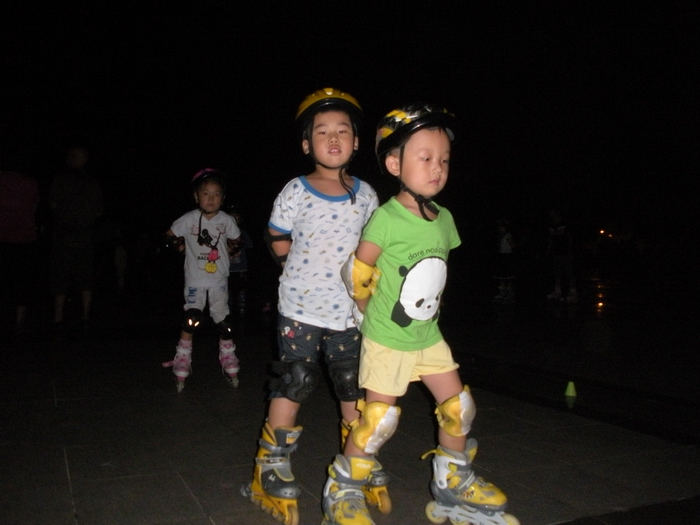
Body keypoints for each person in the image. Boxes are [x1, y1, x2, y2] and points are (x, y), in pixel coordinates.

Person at [321, 104, 517, 525]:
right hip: (388, 339)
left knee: (459, 407)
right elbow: (358, 269)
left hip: (428, 335)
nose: (437, 168)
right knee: (377, 422)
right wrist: (363, 306)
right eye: (425, 157)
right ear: (395, 164)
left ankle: (453, 481)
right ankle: (343, 489)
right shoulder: (386, 218)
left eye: (443, 159)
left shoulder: (444, 219)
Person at [241, 88, 379, 525]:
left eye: (343, 131)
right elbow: (276, 234)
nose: (333, 138)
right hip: (300, 307)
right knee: (295, 380)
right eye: (322, 132)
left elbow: (374, 248)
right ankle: (270, 465)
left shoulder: (367, 195)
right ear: (306, 144)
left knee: (351, 385)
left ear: (357, 142)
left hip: (349, 311)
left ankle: (356, 460)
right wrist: (290, 268)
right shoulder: (296, 191)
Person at [162, 169, 242, 391]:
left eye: (216, 194)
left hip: (219, 280)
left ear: (222, 198)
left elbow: (237, 240)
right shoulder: (188, 219)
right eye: (206, 193)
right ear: (197, 196)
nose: (211, 198)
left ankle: (228, 355)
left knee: (224, 322)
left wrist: (228, 251)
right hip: (195, 279)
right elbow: (168, 236)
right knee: (192, 318)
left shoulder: (226, 220)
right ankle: (182, 356)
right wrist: (181, 248)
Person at [49, 146, 103, 333]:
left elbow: (53, 204)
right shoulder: (88, 181)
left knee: (63, 275)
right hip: (79, 234)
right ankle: (83, 316)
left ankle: (61, 318)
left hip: (69, 234)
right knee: (82, 275)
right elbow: (98, 211)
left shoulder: (67, 180)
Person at [0, 165, 39, 335]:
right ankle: (19, 322)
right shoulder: (30, 183)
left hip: (4, 237)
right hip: (24, 238)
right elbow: (34, 207)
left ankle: (6, 321)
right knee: (21, 281)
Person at [545, 207, 577, 304]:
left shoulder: (565, 223)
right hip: (556, 252)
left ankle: (573, 292)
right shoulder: (551, 225)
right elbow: (551, 239)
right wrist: (548, 251)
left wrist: (570, 250)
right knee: (557, 272)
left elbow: (570, 237)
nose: (550, 213)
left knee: (568, 272)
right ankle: (557, 291)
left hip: (566, 252)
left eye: (552, 211)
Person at [226, 208, 253, 319]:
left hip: (240, 268)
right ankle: (227, 310)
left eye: (237, 217)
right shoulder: (223, 232)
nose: (235, 219)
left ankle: (242, 309)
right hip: (226, 269)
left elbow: (249, 248)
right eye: (233, 217)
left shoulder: (242, 233)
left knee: (241, 290)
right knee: (227, 290)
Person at [492, 217, 516, 304]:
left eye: (502, 227)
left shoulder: (507, 235)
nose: (500, 229)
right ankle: (502, 292)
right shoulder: (500, 236)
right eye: (499, 227)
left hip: (507, 256)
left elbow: (513, 246)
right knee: (501, 275)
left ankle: (509, 294)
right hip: (501, 256)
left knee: (508, 275)